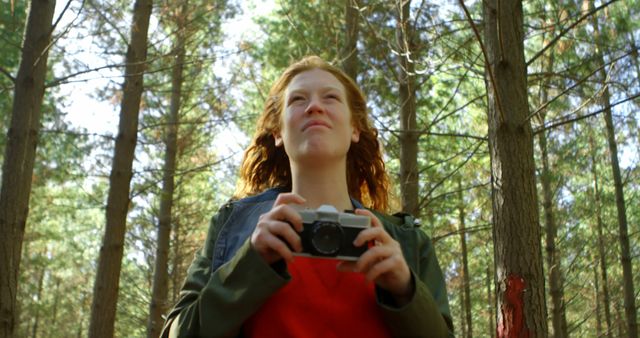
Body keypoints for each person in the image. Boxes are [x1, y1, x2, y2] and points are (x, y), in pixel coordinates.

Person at [161, 56, 453, 338]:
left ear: (354, 129)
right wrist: (250, 263)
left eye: (330, 98)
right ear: (278, 132)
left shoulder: (407, 242)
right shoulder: (232, 228)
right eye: (298, 99)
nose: (314, 106)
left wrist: (406, 290)